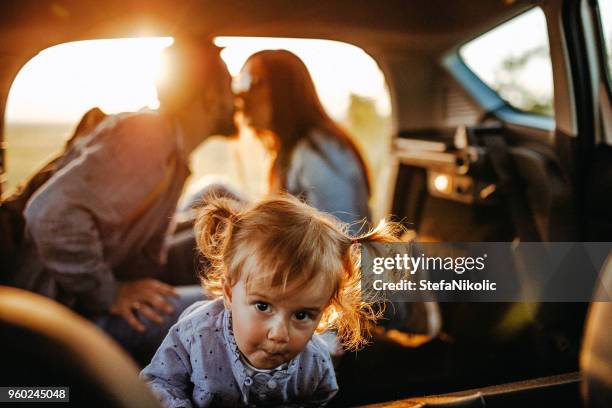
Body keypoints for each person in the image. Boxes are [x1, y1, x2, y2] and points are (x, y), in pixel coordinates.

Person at [12, 39, 236, 363]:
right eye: (229, 87)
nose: (236, 100)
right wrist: (111, 293)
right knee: (239, 309)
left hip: (81, 296)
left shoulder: (172, 150)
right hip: (62, 315)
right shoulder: (147, 136)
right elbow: (49, 214)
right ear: (210, 96)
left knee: (224, 221)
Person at [140, 195, 400, 407]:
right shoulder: (195, 335)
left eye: (302, 315)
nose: (279, 334)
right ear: (229, 293)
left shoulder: (315, 365)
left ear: (325, 310)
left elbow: (318, 400)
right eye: (263, 306)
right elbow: (157, 383)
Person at [233, 49, 371, 234]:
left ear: (283, 89)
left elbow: (344, 239)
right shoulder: (292, 149)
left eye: (254, 82)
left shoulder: (317, 154)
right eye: (241, 82)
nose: (242, 95)